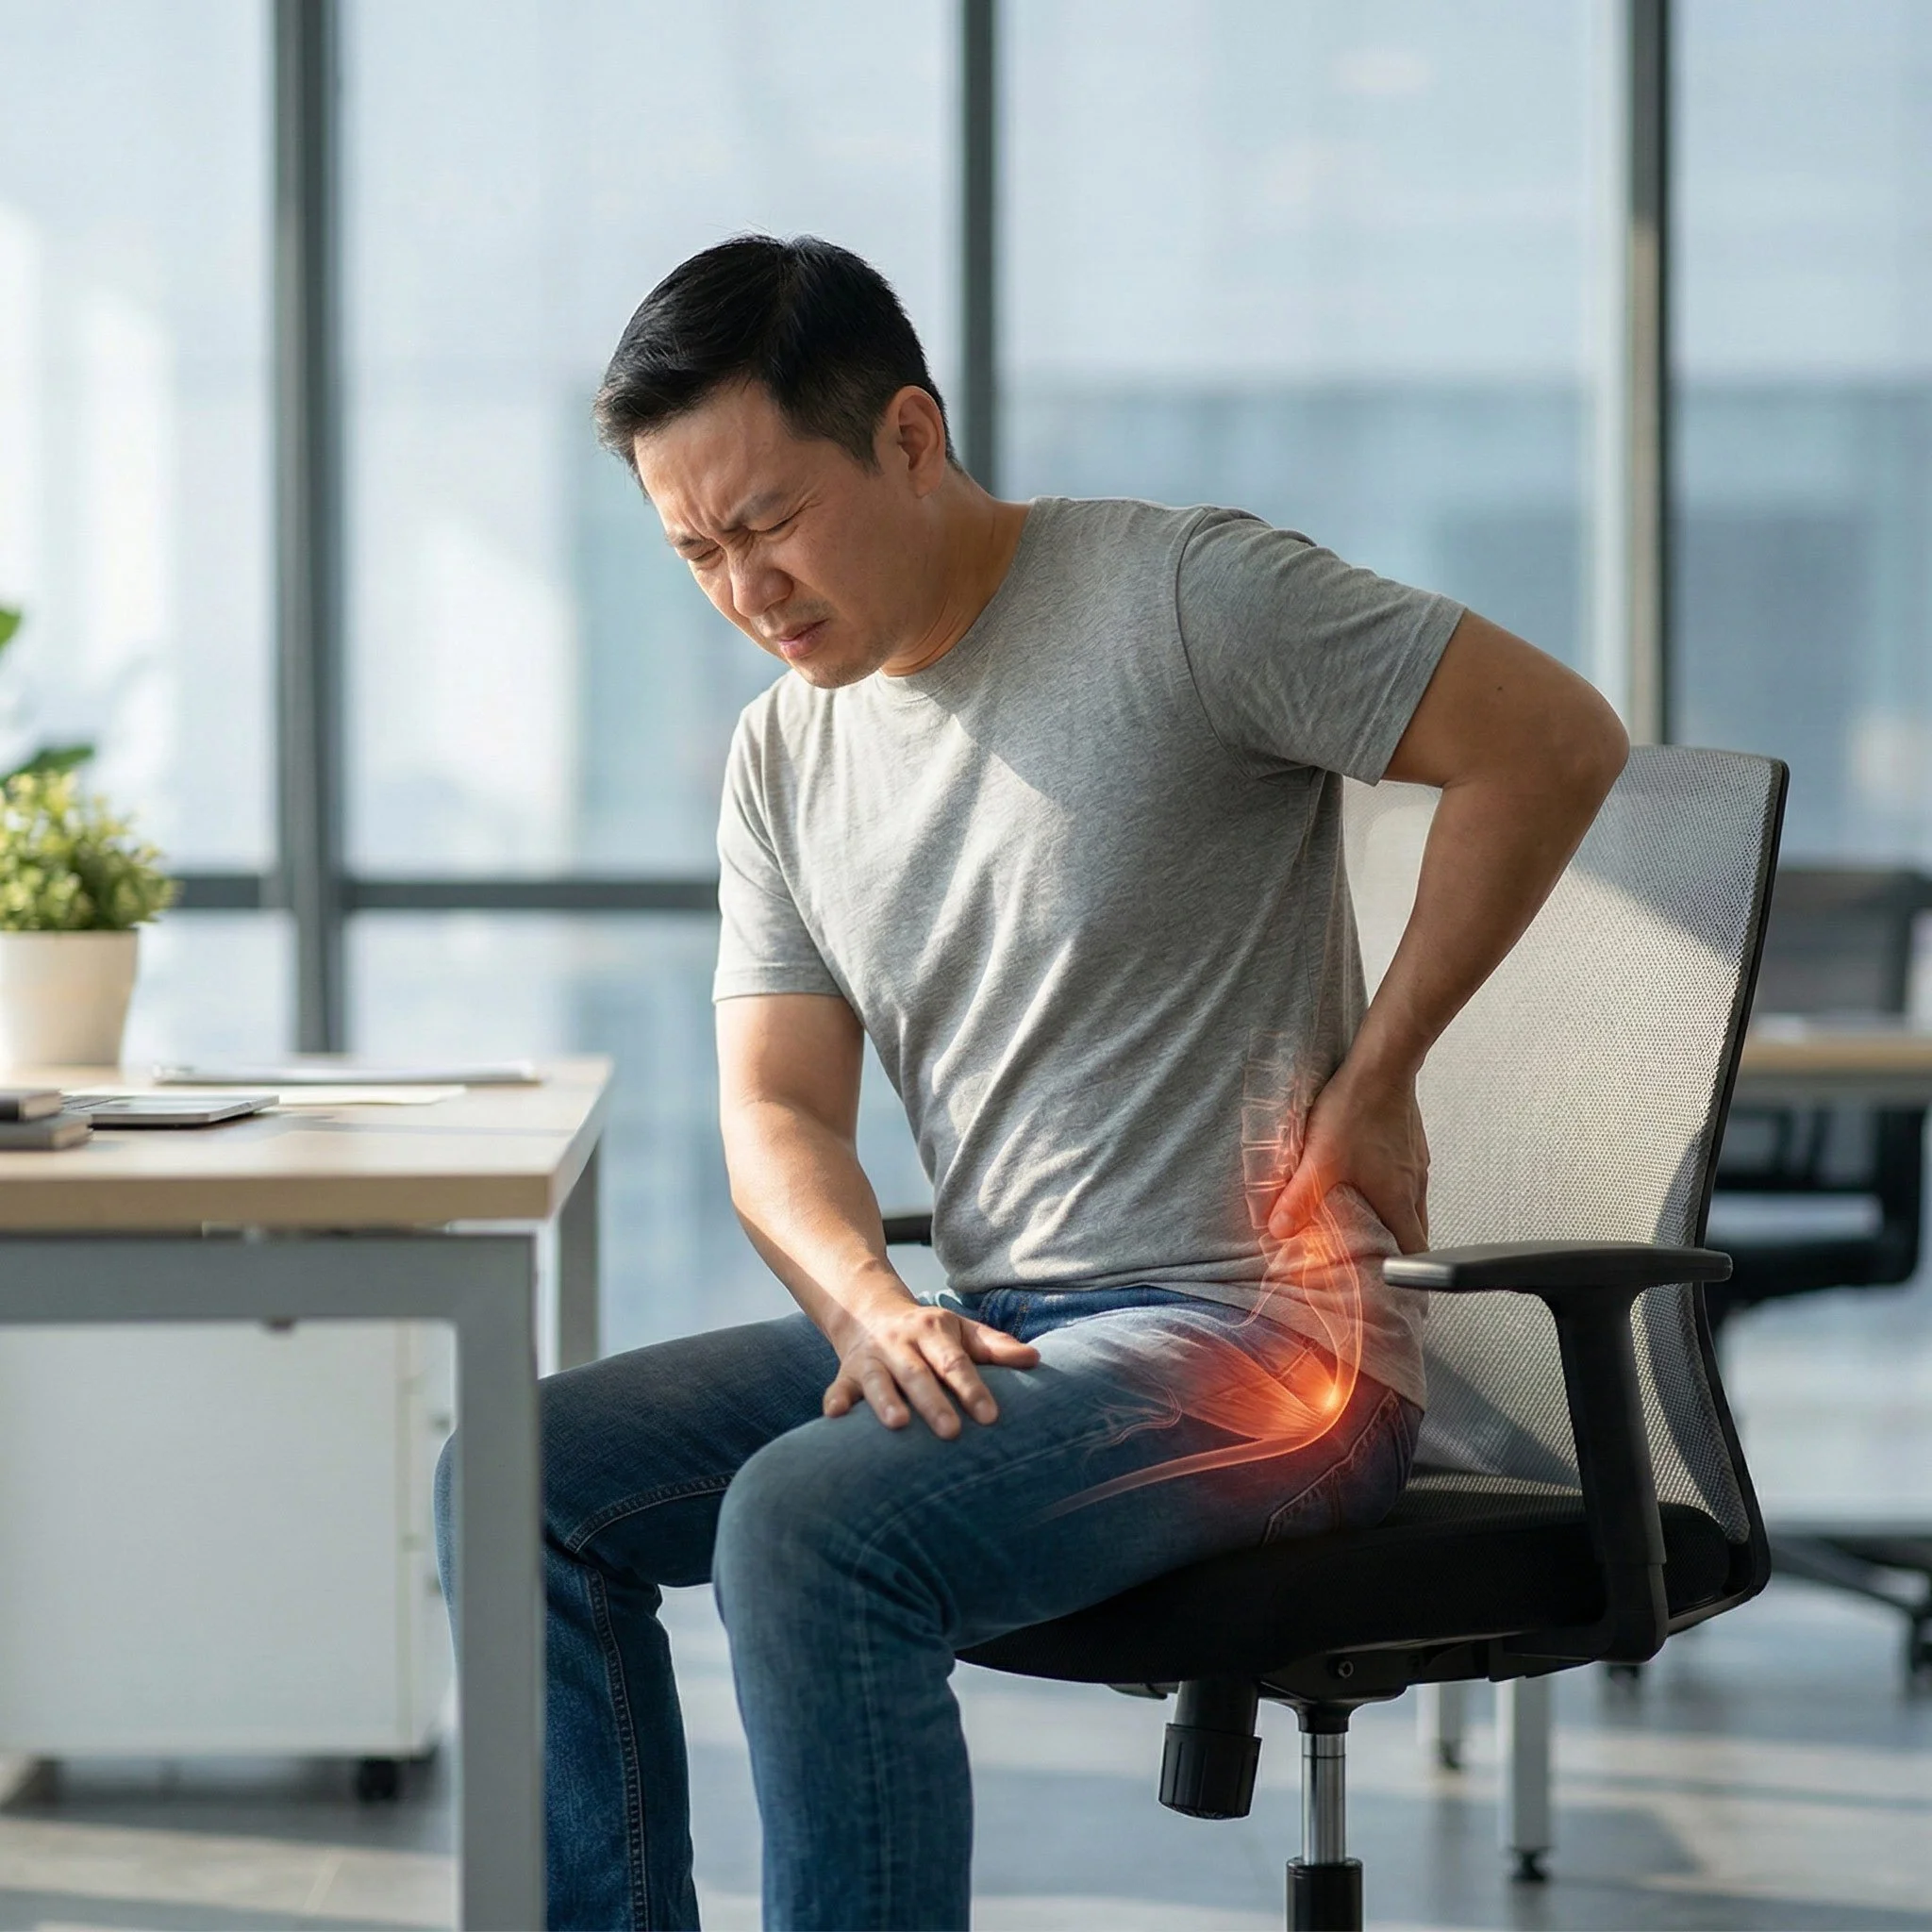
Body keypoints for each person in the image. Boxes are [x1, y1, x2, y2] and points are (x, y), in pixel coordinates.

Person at [435, 234, 1628, 1931]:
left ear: (909, 437)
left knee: (807, 1528)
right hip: (1009, 1327)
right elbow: (775, 1114)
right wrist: (866, 1305)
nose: (744, 591)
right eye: (694, 550)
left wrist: (1382, 1072)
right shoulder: (786, 752)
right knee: (510, 1486)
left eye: (769, 522)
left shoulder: (1184, 597)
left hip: (1270, 1348)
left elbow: (1553, 739)